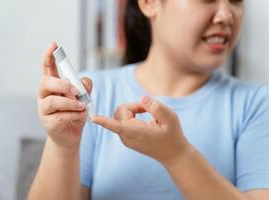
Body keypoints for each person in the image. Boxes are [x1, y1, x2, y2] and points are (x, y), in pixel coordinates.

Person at [28, 0, 269, 199]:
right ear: (150, 3)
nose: (227, 15)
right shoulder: (90, 93)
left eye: (236, 0)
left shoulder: (256, 104)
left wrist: (177, 155)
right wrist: (63, 147)